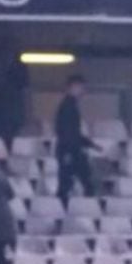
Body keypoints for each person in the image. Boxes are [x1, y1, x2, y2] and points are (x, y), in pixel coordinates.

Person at [54, 75, 97, 205]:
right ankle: (64, 207)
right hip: (70, 149)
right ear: (73, 87)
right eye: (81, 88)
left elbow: (72, 132)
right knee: (71, 181)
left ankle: (65, 207)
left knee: (72, 181)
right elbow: (68, 132)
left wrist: (89, 144)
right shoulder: (68, 107)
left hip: (71, 149)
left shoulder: (69, 106)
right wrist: (69, 151)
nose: (83, 91)